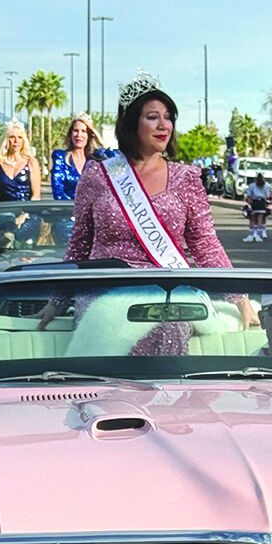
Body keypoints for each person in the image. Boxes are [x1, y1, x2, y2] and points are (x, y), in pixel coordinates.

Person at [40, 74, 253, 348]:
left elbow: (205, 243)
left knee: (167, 332)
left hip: (166, 295)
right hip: (105, 294)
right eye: (153, 117)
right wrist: (57, 301)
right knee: (102, 341)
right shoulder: (98, 176)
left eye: (168, 117)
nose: (164, 125)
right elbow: (79, 245)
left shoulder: (186, 178)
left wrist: (240, 298)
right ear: (131, 122)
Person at [51, 115, 102, 201]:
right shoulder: (60, 157)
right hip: (67, 210)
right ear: (71, 134)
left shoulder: (95, 159)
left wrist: (99, 139)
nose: (79, 135)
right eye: (76, 131)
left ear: (89, 135)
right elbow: (58, 192)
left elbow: (116, 157)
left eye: (83, 131)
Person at [0, 121, 41, 202]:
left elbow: (36, 196)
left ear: (24, 140)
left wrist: (27, 213)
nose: (16, 141)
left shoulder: (31, 162)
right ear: (6, 140)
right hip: (3, 211)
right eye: (12, 137)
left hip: (26, 211)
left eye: (20, 137)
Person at [243, 172, 272, 243]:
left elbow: (249, 195)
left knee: (252, 219)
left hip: (255, 202)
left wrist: (249, 202)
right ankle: (258, 236)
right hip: (262, 202)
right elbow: (268, 195)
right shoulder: (267, 185)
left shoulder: (252, 185)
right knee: (260, 219)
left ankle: (251, 235)